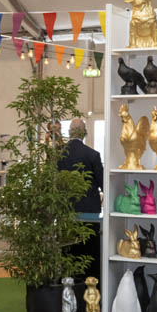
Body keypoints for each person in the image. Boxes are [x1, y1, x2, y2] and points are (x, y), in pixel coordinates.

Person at [58, 118, 104, 279]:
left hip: (65, 211)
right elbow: (103, 183)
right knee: (90, 250)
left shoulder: (57, 155)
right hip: (89, 212)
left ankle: (68, 281)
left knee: (68, 249)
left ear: (69, 132)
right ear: (85, 133)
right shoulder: (93, 155)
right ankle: (91, 282)